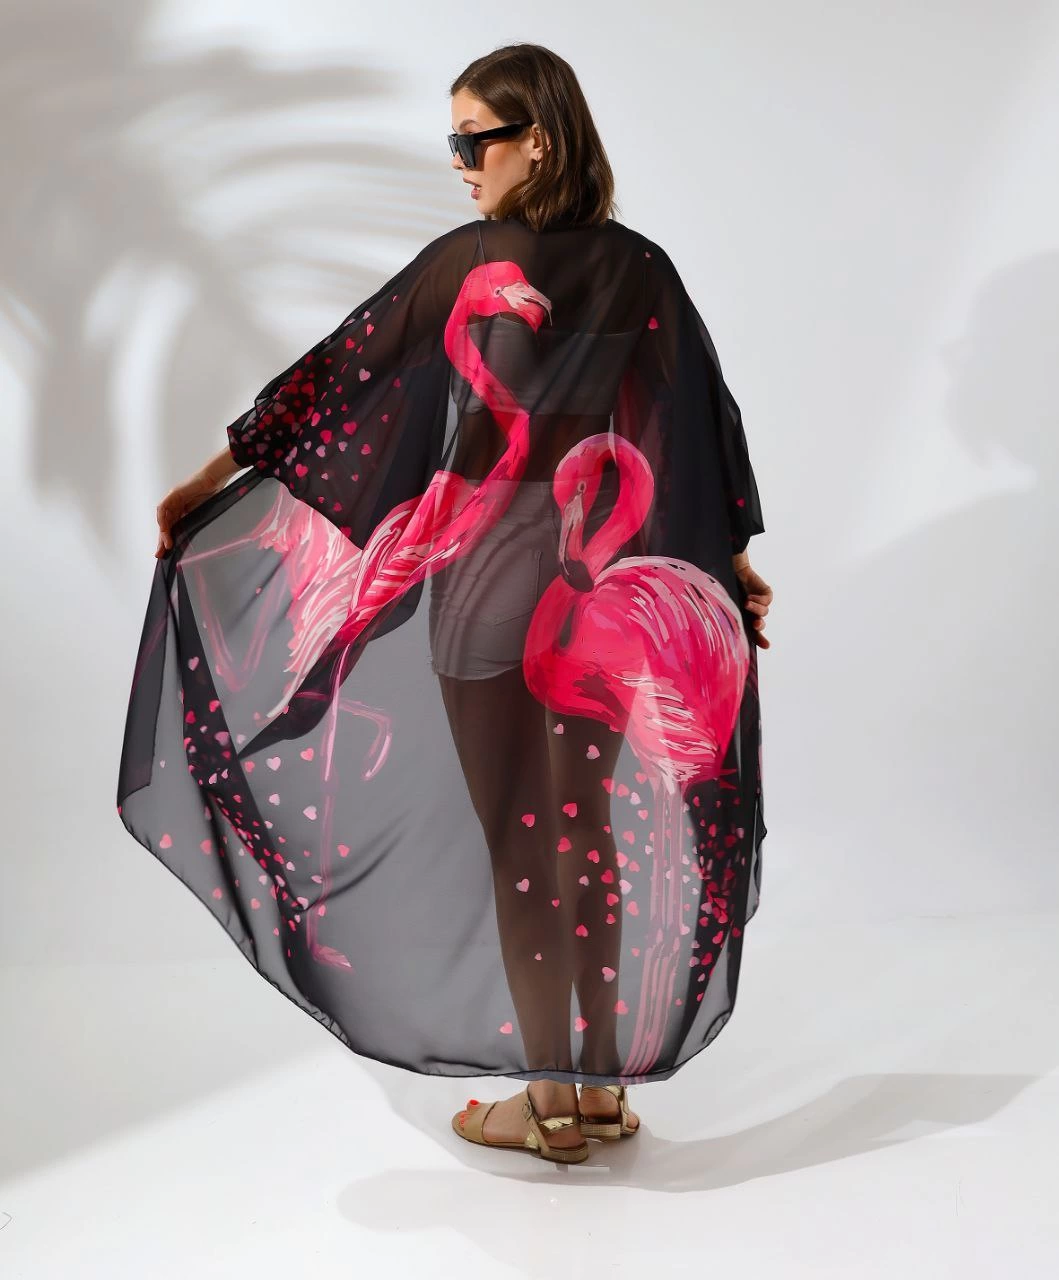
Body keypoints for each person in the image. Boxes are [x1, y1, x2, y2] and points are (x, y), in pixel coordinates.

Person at [124, 42, 773, 1166]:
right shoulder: (640, 270)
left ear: (540, 141)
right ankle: (600, 1090)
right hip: (589, 590)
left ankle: (548, 1102)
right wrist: (734, 560)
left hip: (487, 593)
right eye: (454, 141)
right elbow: (696, 427)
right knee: (586, 837)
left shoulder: (468, 262)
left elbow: (331, 385)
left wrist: (203, 485)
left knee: (522, 839)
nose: (460, 163)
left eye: (476, 139)